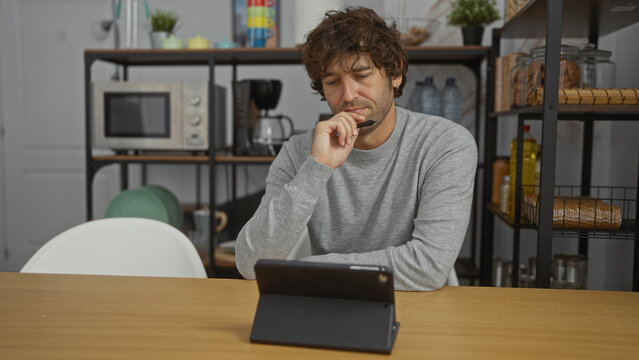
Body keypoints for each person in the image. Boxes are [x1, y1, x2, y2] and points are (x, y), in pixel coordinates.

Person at [235, 7, 477, 291]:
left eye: (362, 75)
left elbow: (428, 266)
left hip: (417, 307)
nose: (348, 96)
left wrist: (303, 270)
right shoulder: (299, 151)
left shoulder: (445, 144)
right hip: (330, 305)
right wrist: (316, 168)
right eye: (333, 82)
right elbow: (250, 262)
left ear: (395, 74)